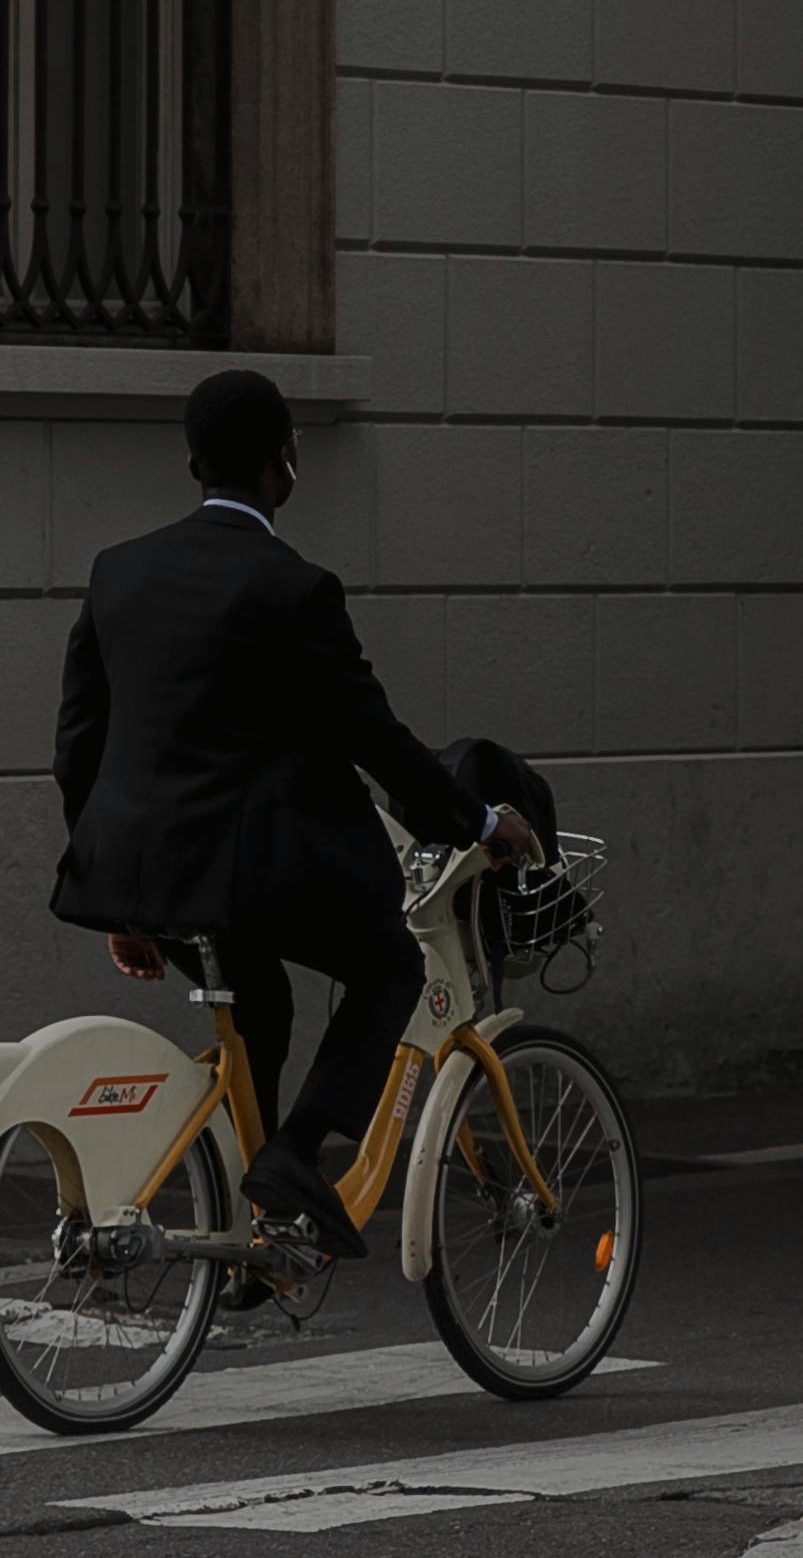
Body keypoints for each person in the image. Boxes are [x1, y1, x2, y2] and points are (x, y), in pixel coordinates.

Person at [49, 368, 533, 1255]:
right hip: (247, 868)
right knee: (390, 961)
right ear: (285, 465)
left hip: (140, 868)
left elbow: (77, 744)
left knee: (259, 997)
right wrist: (475, 822)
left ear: (193, 461)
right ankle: (296, 1157)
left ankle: (251, 1236)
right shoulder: (293, 586)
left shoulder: (118, 572)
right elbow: (374, 737)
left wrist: (120, 899)